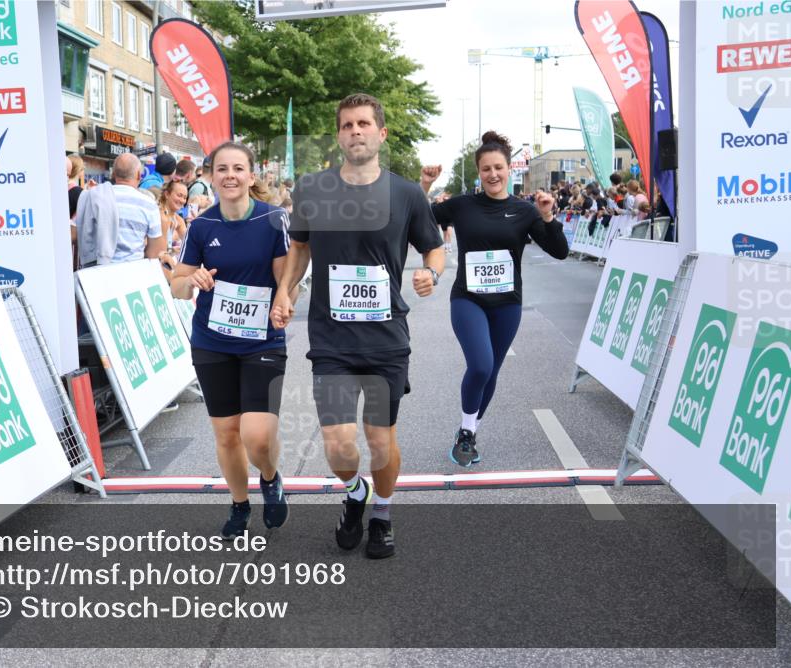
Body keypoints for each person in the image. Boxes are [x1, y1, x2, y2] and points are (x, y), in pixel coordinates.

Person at [271, 93, 445, 559]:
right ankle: (354, 493)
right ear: (339, 135)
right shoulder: (312, 189)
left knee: (380, 439)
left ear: (381, 133)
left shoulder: (406, 193)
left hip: (386, 340)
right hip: (331, 338)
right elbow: (300, 247)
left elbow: (434, 247)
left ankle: (382, 515)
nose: (355, 131)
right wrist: (284, 291)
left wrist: (432, 271)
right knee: (338, 444)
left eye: (364, 123)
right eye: (347, 125)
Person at [420, 131, 567, 468]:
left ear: (508, 169)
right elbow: (418, 219)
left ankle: (467, 432)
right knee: (481, 364)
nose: (493, 174)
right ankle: (468, 432)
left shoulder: (525, 211)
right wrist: (425, 185)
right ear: (479, 172)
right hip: (468, 299)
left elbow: (559, 252)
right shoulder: (462, 205)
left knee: (492, 371)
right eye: (486, 169)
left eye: (498, 167)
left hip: (507, 305)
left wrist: (547, 217)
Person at [170, 141, 295, 538]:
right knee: (226, 434)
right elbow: (177, 286)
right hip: (212, 341)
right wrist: (191, 279)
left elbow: (285, 281)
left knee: (256, 436)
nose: (229, 175)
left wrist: (284, 298)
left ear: (251, 176)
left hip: (263, 342)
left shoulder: (273, 220)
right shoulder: (203, 226)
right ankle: (239, 505)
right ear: (210, 176)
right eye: (221, 169)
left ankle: (270, 477)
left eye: (238, 168)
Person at [74, 152, 165, 267]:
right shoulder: (149, 205)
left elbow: (76, 232)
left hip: (96, 273)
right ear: (138, 175)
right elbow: (154, 253)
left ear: (113, 174)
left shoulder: (94, 196)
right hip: (132, 273)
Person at [158, 180, 188, 257]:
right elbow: (158, 250)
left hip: (164, 258)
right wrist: (171, 251)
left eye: (185, 197)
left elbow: (189, 243)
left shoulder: (178, 219)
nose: (182, 200)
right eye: (179, 195)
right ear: (167, 194)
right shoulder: (157, 214)